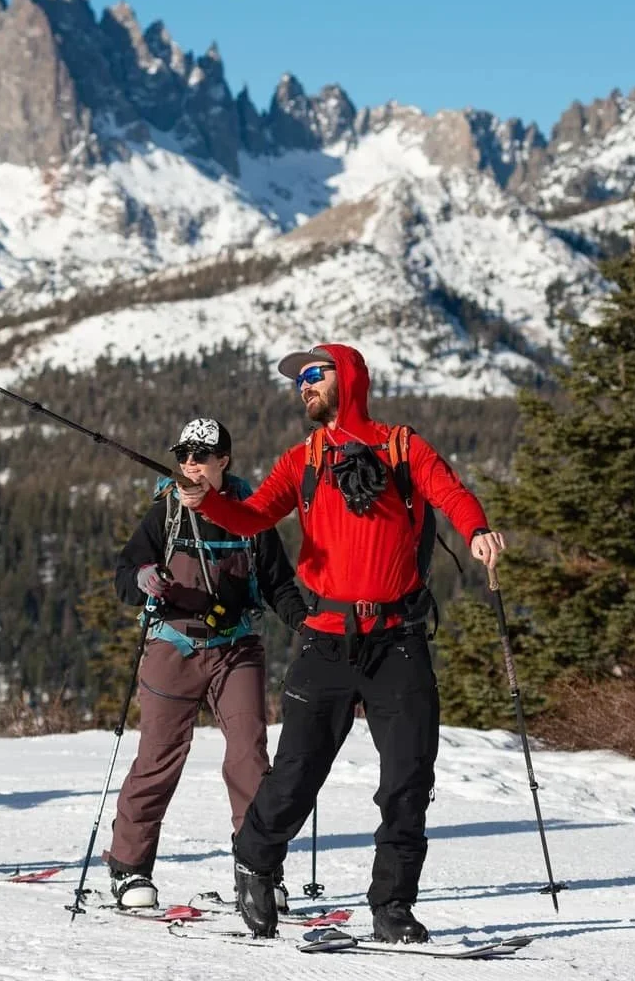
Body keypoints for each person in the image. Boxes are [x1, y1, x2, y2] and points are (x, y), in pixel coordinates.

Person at [178, 344, 505, 942]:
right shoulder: (301, 460)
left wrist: (477, 529)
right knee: (299, 771)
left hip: (397, 639)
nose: (304, 386)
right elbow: (252, 517)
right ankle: (254, 859)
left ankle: (392, 905)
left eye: (314, 374)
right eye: (298, 380)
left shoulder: (403, 446)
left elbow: (449, 491)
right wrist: (210, 502)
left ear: (348, 379)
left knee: (408, 776)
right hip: (325, 638)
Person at [105, 418, 311, 909]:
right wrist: (143, 578)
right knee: (158, 757)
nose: (191, 464)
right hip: (172, 645)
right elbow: (122, 576)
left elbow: (280, 585)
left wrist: (307, 625)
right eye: (184, 455)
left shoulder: (251, 516)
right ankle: (129, 869)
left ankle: (259, 869)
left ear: (225, 462)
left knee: (249, 756)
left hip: (236, 647)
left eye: (202, 455)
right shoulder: (165, 516)